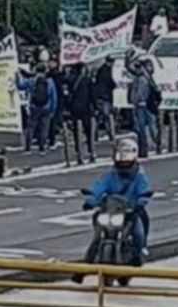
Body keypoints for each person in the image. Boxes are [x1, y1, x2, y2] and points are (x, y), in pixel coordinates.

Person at [74, 138, 152, 283]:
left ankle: (138, 254)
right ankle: (83, 268)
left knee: (138, 233)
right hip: (110, 211)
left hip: (129, 213)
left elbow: (144, 191)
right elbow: (98, 188)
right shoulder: (110, 176)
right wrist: (91, 201)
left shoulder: (139, 176)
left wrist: (140, 202)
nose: (123, 160)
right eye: (120, 156)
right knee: (97, 238)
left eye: (127, 156)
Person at [67, 63, 96, 163]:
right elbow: (92, 94)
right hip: (86, 108)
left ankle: (79, 152)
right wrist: (95, 107)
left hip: (74, 108)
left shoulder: (70, 80)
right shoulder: (87, 80)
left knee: (76, 131)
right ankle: (91, 151)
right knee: (89, 131)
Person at [25, 66, 57, 153]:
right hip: (46, 107)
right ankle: (42, 147)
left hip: (34, 106)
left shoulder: (32, 81)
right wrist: (53, 110)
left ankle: (28, 146)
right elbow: (54, 97)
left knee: (31, 126)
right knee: (44, 127)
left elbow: (22, 86)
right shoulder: (50, 81)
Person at [129, 60, 158, 159]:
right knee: (148, 127)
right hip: (144, 105)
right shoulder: (146, 77)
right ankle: (154, 145)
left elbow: (140, 93)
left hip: (142, 105)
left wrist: (135, 100)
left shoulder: (142, 79)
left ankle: (144, 150)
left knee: (142, 129)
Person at [93, 57, 117, 141]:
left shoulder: (101, 70)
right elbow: (109, 82)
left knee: (99, 117)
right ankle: (110, 134)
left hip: (100, 96)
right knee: (107, 116)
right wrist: (115, 85)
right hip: (105, 96)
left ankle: (95, 135)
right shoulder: (106, 71)